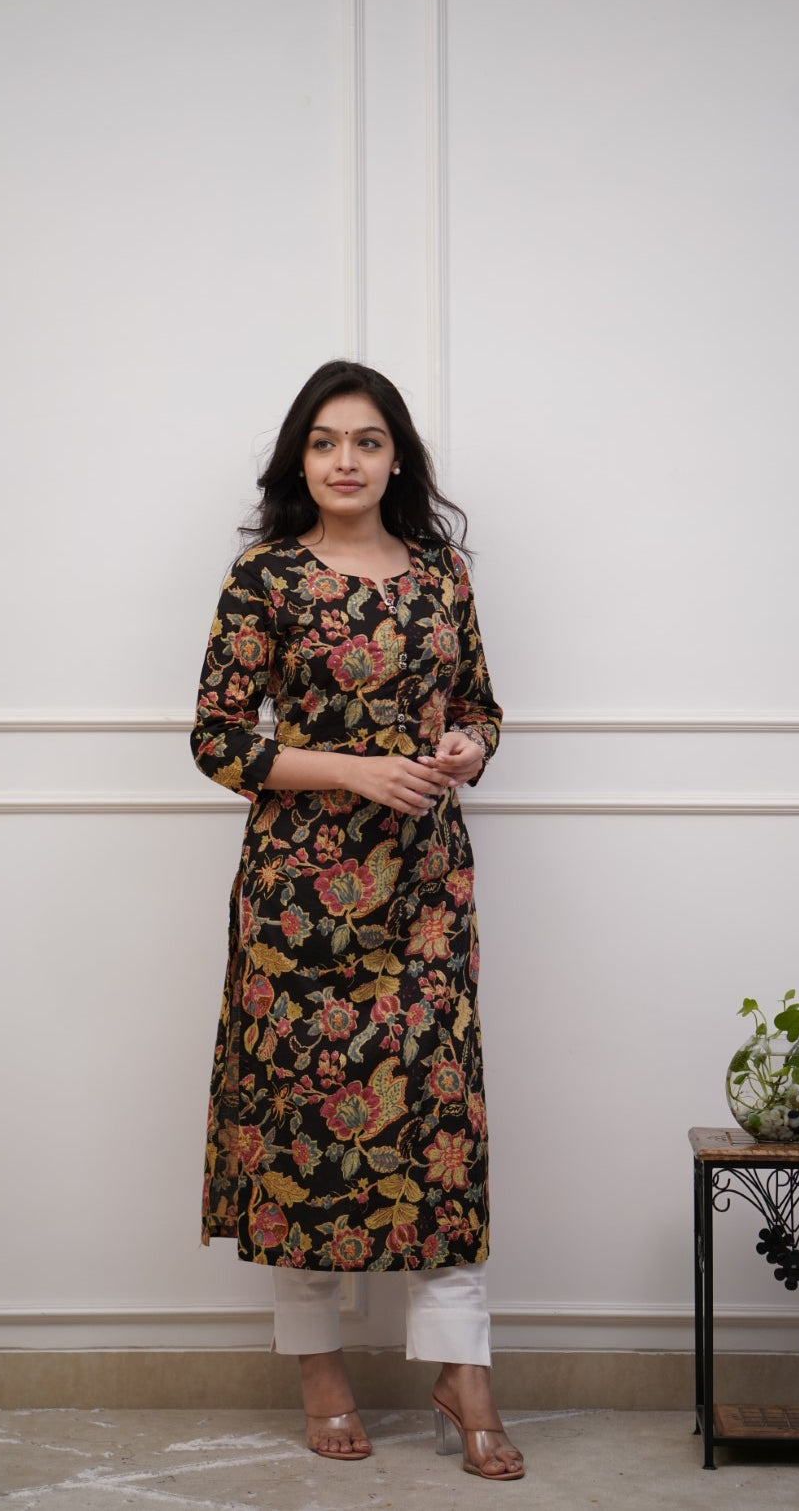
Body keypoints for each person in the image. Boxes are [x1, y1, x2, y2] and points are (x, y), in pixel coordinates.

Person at [190, 360, 523, 1480]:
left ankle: (464, 1371)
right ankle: (320, 1371)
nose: (346, 460)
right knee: (302, 1134)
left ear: (396, 457)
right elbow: (218, 739)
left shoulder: (441, 575)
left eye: (367, 440)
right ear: (302, 458)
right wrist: (354, 769)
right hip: (298, 901)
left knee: (441, 1126)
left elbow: (480, 705)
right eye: (326, 441)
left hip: (426, 895)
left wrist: (467, 746)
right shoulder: (265, 577)